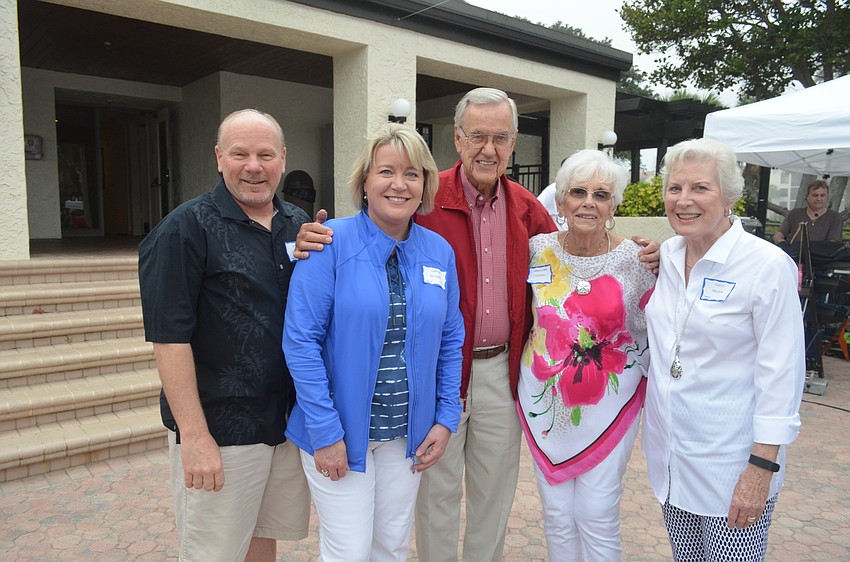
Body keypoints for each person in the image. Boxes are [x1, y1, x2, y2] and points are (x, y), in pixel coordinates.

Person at [295, 88, 660, 561]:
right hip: (433, 373)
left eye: (502, 138)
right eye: (478, 136)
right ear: (458, 138)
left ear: (513, 144)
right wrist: (305, 238)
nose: (489, 149)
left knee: (493, 494)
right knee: (434, 495)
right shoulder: (423, 196)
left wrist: (639, 251)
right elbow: (368, 233)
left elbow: (572, 251)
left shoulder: (528, 209)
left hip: (501, 372)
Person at [283, 123, 464, 562]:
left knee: (391, 547)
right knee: (348, 551)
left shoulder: (439, 251)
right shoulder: (329, 242)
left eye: (412, 174)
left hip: (408, 432)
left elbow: (451, 337)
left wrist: (445, 418)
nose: (399, 184)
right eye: (386, 171)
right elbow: (300, 342)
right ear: (364, 182)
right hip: (341, 431)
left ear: (425, 186)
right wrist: (325, 433)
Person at [138, 109, 311, 562]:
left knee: (261, 538)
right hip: (221, 430)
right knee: (213, 552)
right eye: (240, 154)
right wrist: (194, 437)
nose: (253, 166)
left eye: (265, 155)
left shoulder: (298, 222)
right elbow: (169, 339)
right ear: (219, 158)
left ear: (282, 159)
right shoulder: (184, 229)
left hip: (283, 423)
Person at [644, 138, 804, 561]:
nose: (683, 200)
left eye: (700, 188)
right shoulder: (670, 257)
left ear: (730, 195)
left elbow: (782, 374)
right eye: (674, 188)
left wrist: (761, 469)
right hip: (673, 462)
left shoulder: (766, 267)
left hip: (732, 468)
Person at [518, 149, 656, 561]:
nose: (589, 203)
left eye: (601, 194)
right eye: (578, 192)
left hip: (609, 404)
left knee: (596, 511)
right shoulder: (535, 249)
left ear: (614, 205)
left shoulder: (638, 260)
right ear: (560, 201)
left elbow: (663, 321)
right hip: (545, 405)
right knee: (557, 513)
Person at [774, 179, 843, 243]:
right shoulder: (794, 214)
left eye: (822, 195)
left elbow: (833, 243)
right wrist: (782, 243)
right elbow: (779, 234)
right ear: (807, 196)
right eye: (815, 195)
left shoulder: (835, 217)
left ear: (827, 197)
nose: (819, 198)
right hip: (794, 254)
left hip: (822, 255)